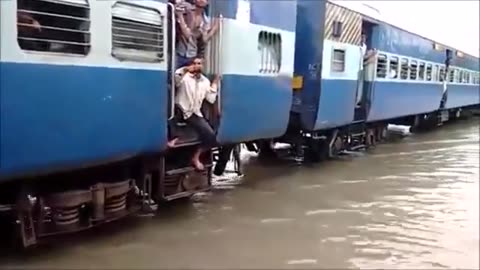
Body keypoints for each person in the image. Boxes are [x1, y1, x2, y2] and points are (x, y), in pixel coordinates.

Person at [169, 57, 220, 170]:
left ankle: (196, 157)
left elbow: (211, 99)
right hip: (182, 109)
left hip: (195, 113)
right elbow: (176, 78)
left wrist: (215, 84)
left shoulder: (205, 81)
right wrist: (186, 69)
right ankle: (176, 138)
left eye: (200, 63)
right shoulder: (184, 77)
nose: (197, 65)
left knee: (212, 137)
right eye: (195, 63)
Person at [175, 0, 220, 68]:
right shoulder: (187, 9)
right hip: (179, 53)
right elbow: (187, 34)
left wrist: (215, 28)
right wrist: (180, 15)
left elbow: (204, 39)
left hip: (193, 56)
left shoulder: (205, 20)